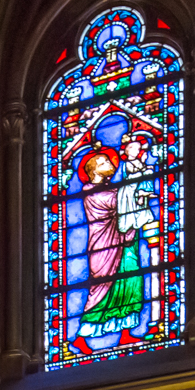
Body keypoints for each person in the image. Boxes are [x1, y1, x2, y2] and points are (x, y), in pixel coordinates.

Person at [72, 144, 150, 351]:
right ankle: (81, 337)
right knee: (101, 289)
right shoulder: (91, 193)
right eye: (104, 162)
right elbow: (116, 202)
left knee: (130, 282)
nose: (111, 163)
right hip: (105, 247)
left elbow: (126, 200)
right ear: (94, 170)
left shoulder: (114, 188)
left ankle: (125, 334)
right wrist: (136, 181)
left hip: (125, 243)